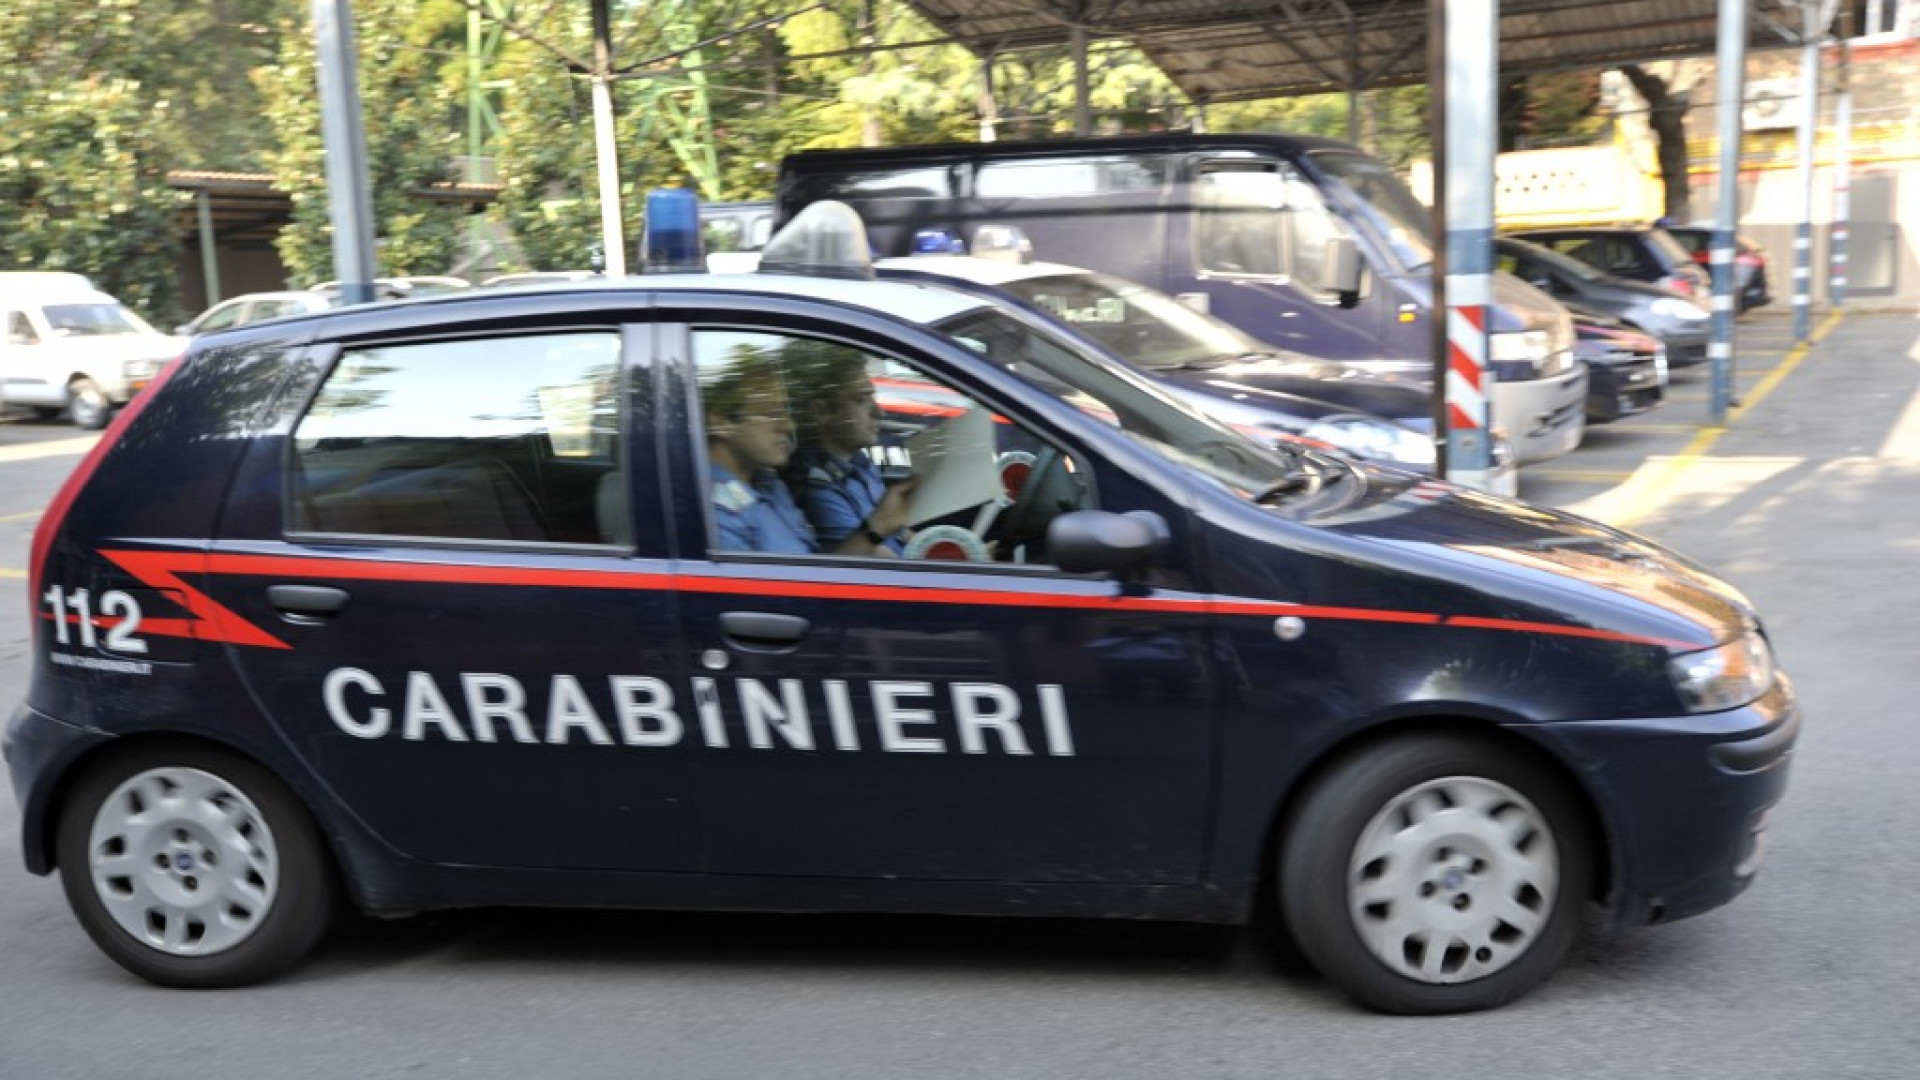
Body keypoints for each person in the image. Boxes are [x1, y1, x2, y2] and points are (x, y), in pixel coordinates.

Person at [703, 351, 909, 557]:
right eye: (770, 413)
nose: (788, 425)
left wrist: (878, 527)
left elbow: (820, 571)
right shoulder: (714, 515)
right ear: (721, 422)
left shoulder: (769, 484)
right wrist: (876, 528)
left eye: (786, 412)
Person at [783, 343, 917, 555]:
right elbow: (880, 562)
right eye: (862, 399)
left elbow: (901, 533)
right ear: (822, 411)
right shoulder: (816, 488)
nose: (878, 412)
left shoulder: (860, 462)